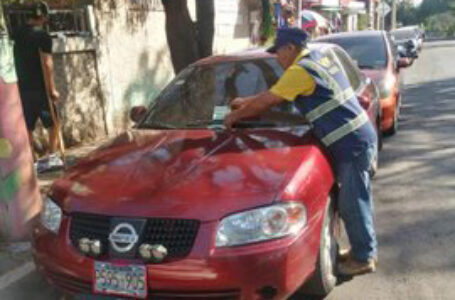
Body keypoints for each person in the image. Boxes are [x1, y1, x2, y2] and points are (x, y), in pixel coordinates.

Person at [224, 27, 378, 276]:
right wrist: (247, 101)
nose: (277, 58)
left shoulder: (300, 71)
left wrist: (236, 115)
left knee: (353, 203)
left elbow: (270, 100)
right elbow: (274, 93)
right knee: (357, 199)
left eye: (278, 52)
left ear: (290, 48)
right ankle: (363, 249)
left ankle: (363, 258)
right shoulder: (315, 59)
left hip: (351, 142)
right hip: (356, 138)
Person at [12, 1, 60, 161]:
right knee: (54, 123)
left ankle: (32, 161)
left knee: (28, 126)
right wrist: (52, 89)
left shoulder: (16, 34)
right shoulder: (43, 37)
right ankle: (52, 156)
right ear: (43, 17)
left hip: (22, 88)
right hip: (41, 90)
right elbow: (47, 63)